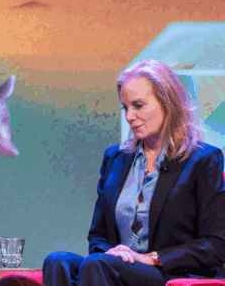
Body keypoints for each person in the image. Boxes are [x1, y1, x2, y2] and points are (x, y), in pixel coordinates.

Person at [43, 59, 225, 286]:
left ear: (168, 104)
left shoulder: (203, 159)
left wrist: (151, 258)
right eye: (125, 108)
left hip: (170, 273)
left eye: (138, 105)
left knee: (99, 264)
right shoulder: (115, 158)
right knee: (58, 261)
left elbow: (215, 245)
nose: (129, 116)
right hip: (114, 268)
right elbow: (98, 236)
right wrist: (113, 253)